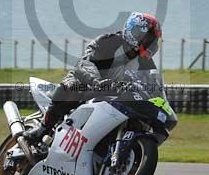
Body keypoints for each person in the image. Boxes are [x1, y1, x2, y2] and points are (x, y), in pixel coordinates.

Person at [23, 12, 162, 143]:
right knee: (72, 87)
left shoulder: (145, 62)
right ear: (135, 33)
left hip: (113, 95)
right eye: (147, 38)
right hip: (88, 84)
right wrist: (97, 82)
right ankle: (44, 127)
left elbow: (152, 85)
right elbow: (85, 63)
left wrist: (158, 99)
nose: (149, 43)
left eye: (152, 40)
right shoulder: (108, 42)